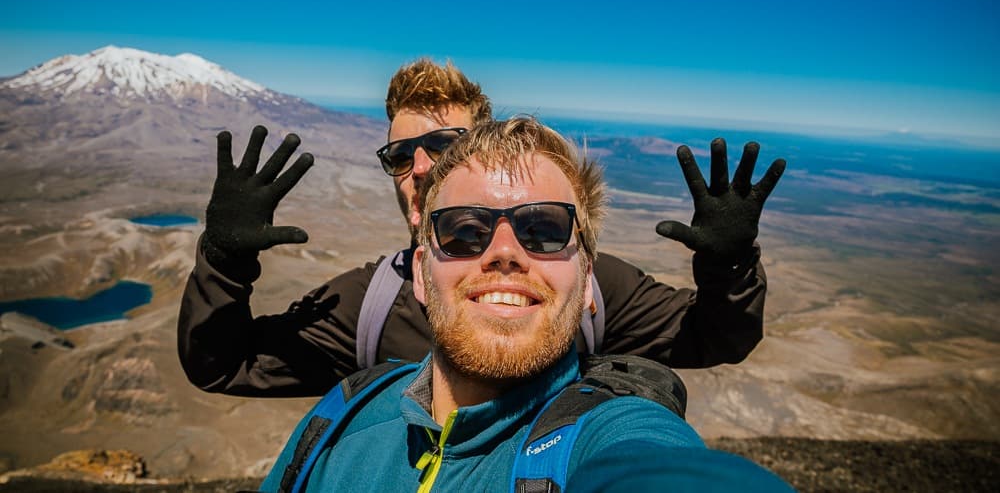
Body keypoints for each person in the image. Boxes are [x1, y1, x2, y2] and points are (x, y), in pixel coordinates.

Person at [178, 58, 786, 395]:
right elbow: (223, 365)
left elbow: (719, 338)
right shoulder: (368, 305)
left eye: (443, 146)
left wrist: (728, 267)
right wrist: (224, 263)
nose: (418, 169)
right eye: (398, 156)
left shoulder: (582, 285)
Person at [258, 118, 792, 492]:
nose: (506, 252)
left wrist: (730, 273)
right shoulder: (341, 420)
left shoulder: (605, 433)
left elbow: (653, 464)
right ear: (420, 273)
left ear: (588, 283)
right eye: (464, 232)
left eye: (544, 230)